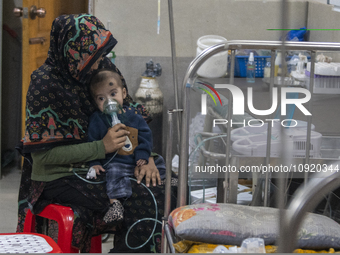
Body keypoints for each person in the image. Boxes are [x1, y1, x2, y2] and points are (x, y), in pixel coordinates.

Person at [16, 14, 176, 253]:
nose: (100, 61)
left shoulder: (99, 68)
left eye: (101, 53)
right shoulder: (45, 84)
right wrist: (102, 147)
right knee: (139, 194)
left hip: (110, 164)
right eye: (92, 54)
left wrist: (147, 159)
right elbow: (44, 158)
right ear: (73, 51)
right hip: (60, 177)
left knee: (164, 184)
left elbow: (132, 118)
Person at [86, 69, 166, 223]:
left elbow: (146, 136)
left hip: (137, 161)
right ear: (96, 102)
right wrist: (94, 163)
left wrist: (143, 156)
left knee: (160, 162)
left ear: (123, 93)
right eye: (102, 98)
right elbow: (93, 143)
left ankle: (165, 179)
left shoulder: (133, 115)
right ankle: (115, 205)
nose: (109, 102)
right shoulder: (97, 120)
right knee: (113, 174)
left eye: (113, 94)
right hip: (117, 163)